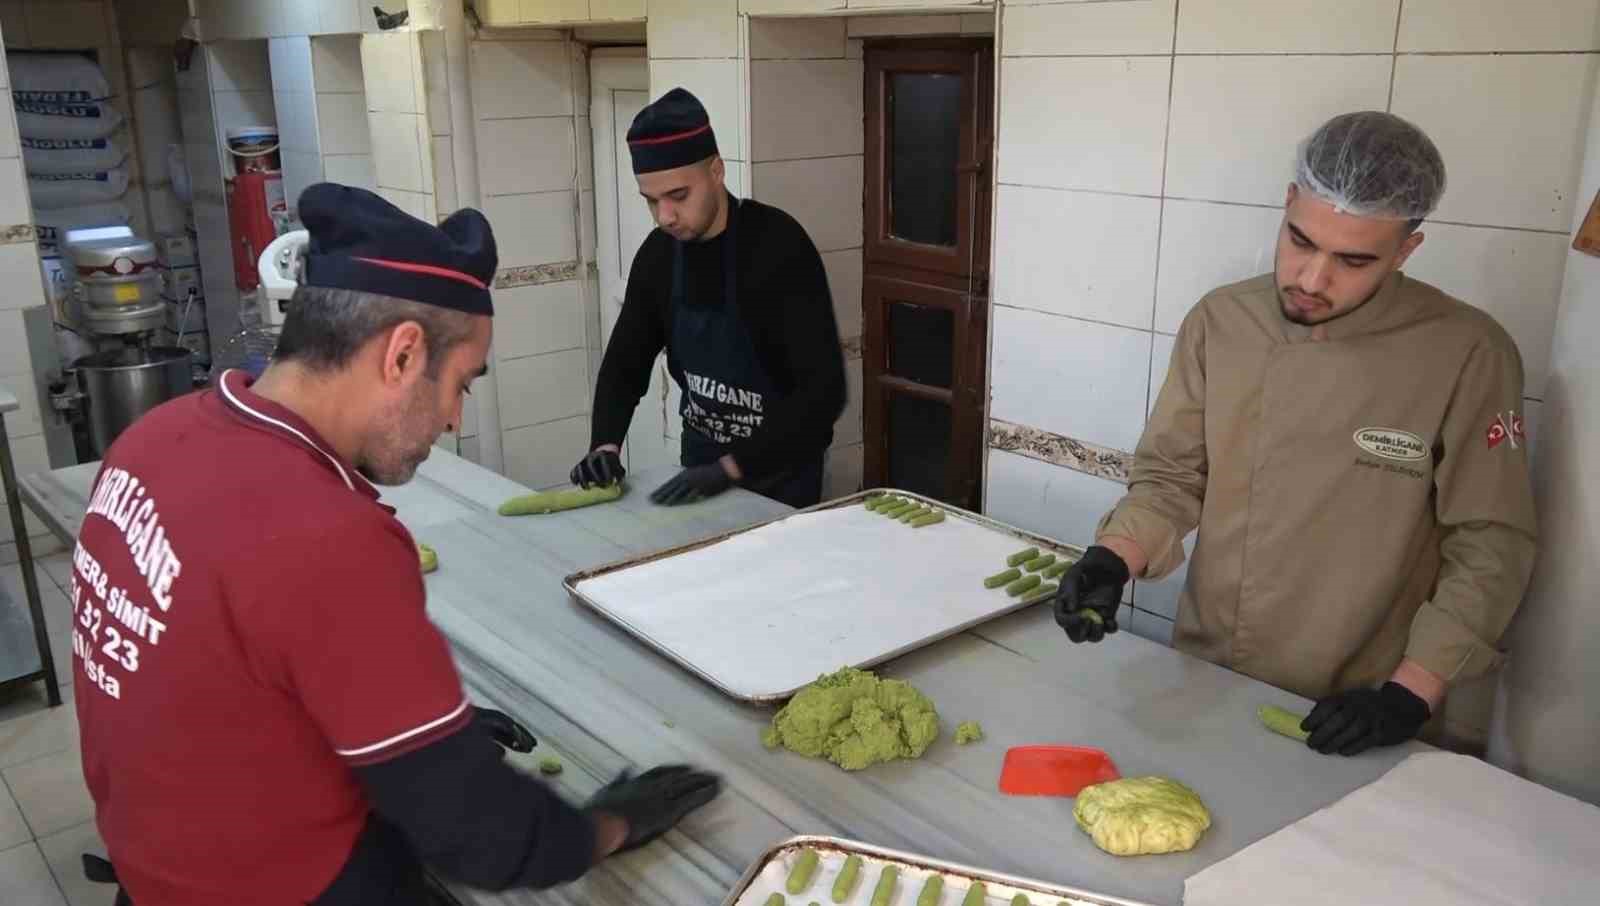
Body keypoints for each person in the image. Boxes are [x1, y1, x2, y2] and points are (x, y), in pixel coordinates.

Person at [69, 183, 721, 905]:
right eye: (462, 384)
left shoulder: (153, 440)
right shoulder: (326, 534)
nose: (453, 420)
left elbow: (216, 667)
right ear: (403, 355)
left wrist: (419, 728)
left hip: (156, 871)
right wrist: (610, 825)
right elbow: (481, 837)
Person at [1053, 112, 1537, 757]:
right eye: (1301, 241)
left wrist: (1410, 692)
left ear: (1407, 250)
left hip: (1361, 698)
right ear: (1286, 205)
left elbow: (1490, 541)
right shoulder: (1222, 322)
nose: (1312, 279)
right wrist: (1116, 556)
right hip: (1209, 667)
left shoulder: (1468, 351)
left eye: (1353, 260)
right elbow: (1173, 477)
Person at [572, 87, 847, 509]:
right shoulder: (659, 256)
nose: (664, 216)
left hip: (781, 478)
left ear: (716, 171)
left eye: (678, 196)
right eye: (651, 201)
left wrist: (733, 468)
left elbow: (823, 394)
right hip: (700, 465)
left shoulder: (778, 248)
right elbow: (625, 363)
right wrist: (604, 445)